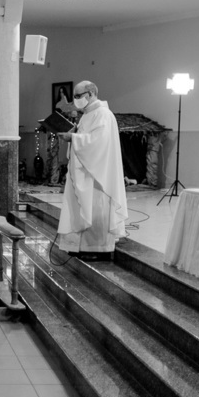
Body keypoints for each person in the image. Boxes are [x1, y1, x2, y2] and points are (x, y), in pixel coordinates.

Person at [56, 80, 128, 261]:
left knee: (95, 208)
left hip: (97, 175)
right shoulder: (87, 115)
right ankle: (78, 246)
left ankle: (97, 248)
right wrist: (74, 134)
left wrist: (73, 137)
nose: (76, 100)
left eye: (79, 96)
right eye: (75, 96)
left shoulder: (103, 114)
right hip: (83, 172)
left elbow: (98, 142)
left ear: (90, 93)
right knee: (81, 207)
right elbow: (85, 138)